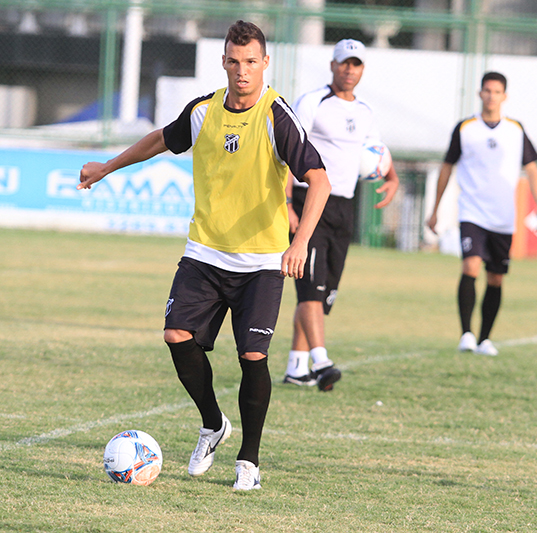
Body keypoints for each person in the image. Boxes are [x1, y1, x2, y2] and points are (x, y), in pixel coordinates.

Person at [77, 20, 331, 490]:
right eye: (234, 62)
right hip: (205, 253)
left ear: (264, 63)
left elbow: (319, 180)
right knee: (176, 335)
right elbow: (160, 139)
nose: (242, 71)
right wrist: (108, 166)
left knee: (253, 354)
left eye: (251, 62)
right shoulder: (204, 111)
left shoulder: (277, 116)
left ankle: (248, 462)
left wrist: (300, 244)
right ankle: (213, 423)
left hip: (261, 262)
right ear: (224, 62)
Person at [282, 38, 399, 390]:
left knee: (323, 294)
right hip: (309, 202)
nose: (350, 69)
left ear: (362, 70)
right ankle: (322, 362)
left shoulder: (365, 111)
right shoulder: (313, 102)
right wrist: (286, 204)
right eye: (344, 63)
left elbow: (375, 150)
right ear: (333, 66)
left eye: (357, 64)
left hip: (344, 207)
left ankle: (296, 367)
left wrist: (391, 176)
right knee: (310, 291)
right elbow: (290, 150)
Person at [426, 71, 537, 357]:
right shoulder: (465, 128)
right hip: (472, 212)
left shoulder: (516, 130)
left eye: (496, 92)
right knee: (470, 267)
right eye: (487, 91)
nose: (491, 96)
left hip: (503, 217)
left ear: (504, 96)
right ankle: (466, 334)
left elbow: (531, 170)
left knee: (496, 278)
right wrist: (435, 210)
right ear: (480, 93)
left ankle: (485, 339)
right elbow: (446, 167)